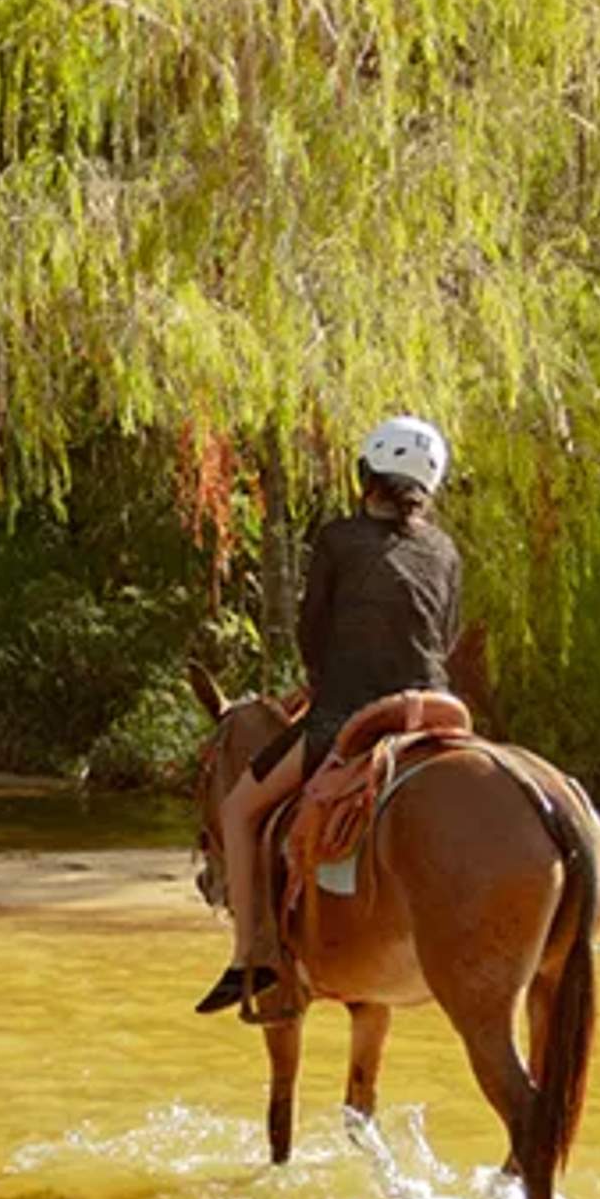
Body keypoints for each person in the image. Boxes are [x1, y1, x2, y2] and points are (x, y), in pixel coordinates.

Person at [197, 415, 466, 1019]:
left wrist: (321, 686)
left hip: (352, 712)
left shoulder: (339, 540)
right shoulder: (445, 550)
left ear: (365, 475)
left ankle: (253, 958)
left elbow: (312, 632)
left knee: (240, 809)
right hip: (438, 713)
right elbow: (443, 637)